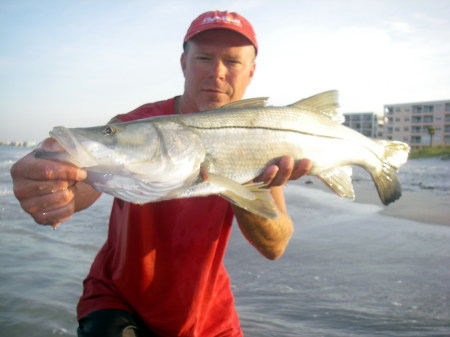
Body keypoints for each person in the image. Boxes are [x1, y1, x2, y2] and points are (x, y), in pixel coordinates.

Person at [11, 10, 312, 337]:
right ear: (184, 63)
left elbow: (275, 246)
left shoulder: (263, 137)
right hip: (118, 297)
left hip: (208, 314)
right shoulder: (134, 123)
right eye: (204, 57)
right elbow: (86, 180)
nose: (217, 72)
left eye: (233, 61)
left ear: (251, 71)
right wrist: (52, 186)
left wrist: (245, 180)